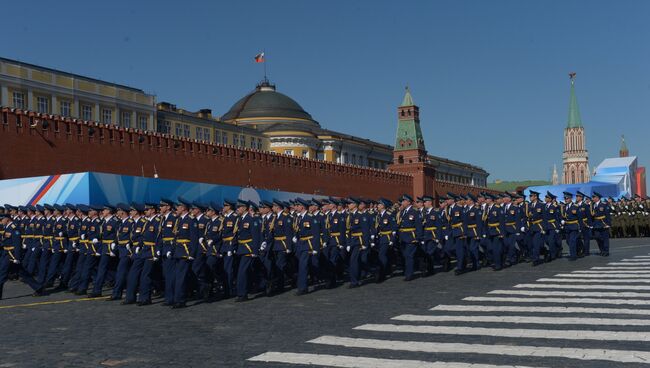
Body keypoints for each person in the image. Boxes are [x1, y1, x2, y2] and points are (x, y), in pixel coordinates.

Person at [0, 214, 43, 300]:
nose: (1, 221)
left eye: (2, 219)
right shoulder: (7, 227)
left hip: (11, 255)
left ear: (7, 219)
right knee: (22, 273)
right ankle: (38, 287)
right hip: (6, 253)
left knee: (2, 273)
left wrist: (17, 258)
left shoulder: (14, 228)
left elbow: (17, 244)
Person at [396, 194, 423, 281]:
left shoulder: (415, 211)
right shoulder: (403, 212)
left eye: (404, 201)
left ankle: (409, 274)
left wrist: (418, 238)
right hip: (403, 238)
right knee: (405, 255)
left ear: (408, 202)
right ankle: (411, 270)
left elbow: (419, 226)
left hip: (411, 237)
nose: (402, 202)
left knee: (409, 256)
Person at [561, 192, 580, 261]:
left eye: (567, 198)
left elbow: (579, 217)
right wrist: (562, 220)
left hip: (574, 225)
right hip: (567, 226)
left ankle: (573, 256)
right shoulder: (564, 207)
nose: (566, 199)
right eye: (565, 198)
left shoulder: (575, 206)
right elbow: (563, 216)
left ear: (571, 198)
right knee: (568, 241)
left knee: (572, 241)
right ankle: (578, 249)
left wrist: (580, 226)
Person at [591, 192, 611, 257]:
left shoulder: (604, 204)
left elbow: (607, 215)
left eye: (593, 197)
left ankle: (606, 251)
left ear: (597, 198)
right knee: (597, 237)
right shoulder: (592, 205)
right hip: (596, 223)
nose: (592, 198)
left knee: (605, 238)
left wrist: (608, 224)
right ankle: (602, 250)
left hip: (603, 223)